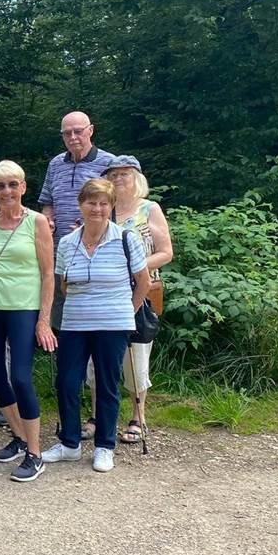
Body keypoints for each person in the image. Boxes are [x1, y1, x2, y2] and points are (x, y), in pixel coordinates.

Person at [42, 179, 150, 473]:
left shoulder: (127, 239)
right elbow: (63, 284)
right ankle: (70, 444)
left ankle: (105, 445)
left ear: (111, 206)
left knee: (106, 385)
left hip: (114, 324)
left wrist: (127, 311)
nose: (97, 209)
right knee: (67, 382)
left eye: (104, 203)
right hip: (75, 323)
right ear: (81, 204)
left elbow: (144, 283)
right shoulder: (66, 242)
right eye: (91, 202)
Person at [0, 161, 58, 482]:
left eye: (12, 184)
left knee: (20, 376)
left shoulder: (37, 223)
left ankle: (35, 453)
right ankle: (19, 437)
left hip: (23, 309)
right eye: (0, 185)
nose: (6, 191)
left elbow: (48, 274)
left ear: (23, 187)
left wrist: (44, 321)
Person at [86, 155, 173, 444]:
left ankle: (138, 416)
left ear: (136, 177)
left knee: (135, 357)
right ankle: (97, 415)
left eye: (124, 174)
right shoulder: (101, 209)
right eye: (113, 175)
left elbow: (165, 252)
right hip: (102, 294)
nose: (118, 179)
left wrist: (137, 267)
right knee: (97, 357)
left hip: (141, 291)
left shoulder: (149, 209)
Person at [39, 111, 114, 329]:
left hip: (94, 248)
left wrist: (91, 223)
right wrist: (47, 218)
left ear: (90, 130)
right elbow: (47, 201)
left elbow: (115, 205)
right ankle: (63, 352)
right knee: (60, 298)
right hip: (58, 247)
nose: (72, 137)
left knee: (87, 296)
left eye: (78, 131)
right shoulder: (55, 164)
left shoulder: (108, 163)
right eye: (67, 133)